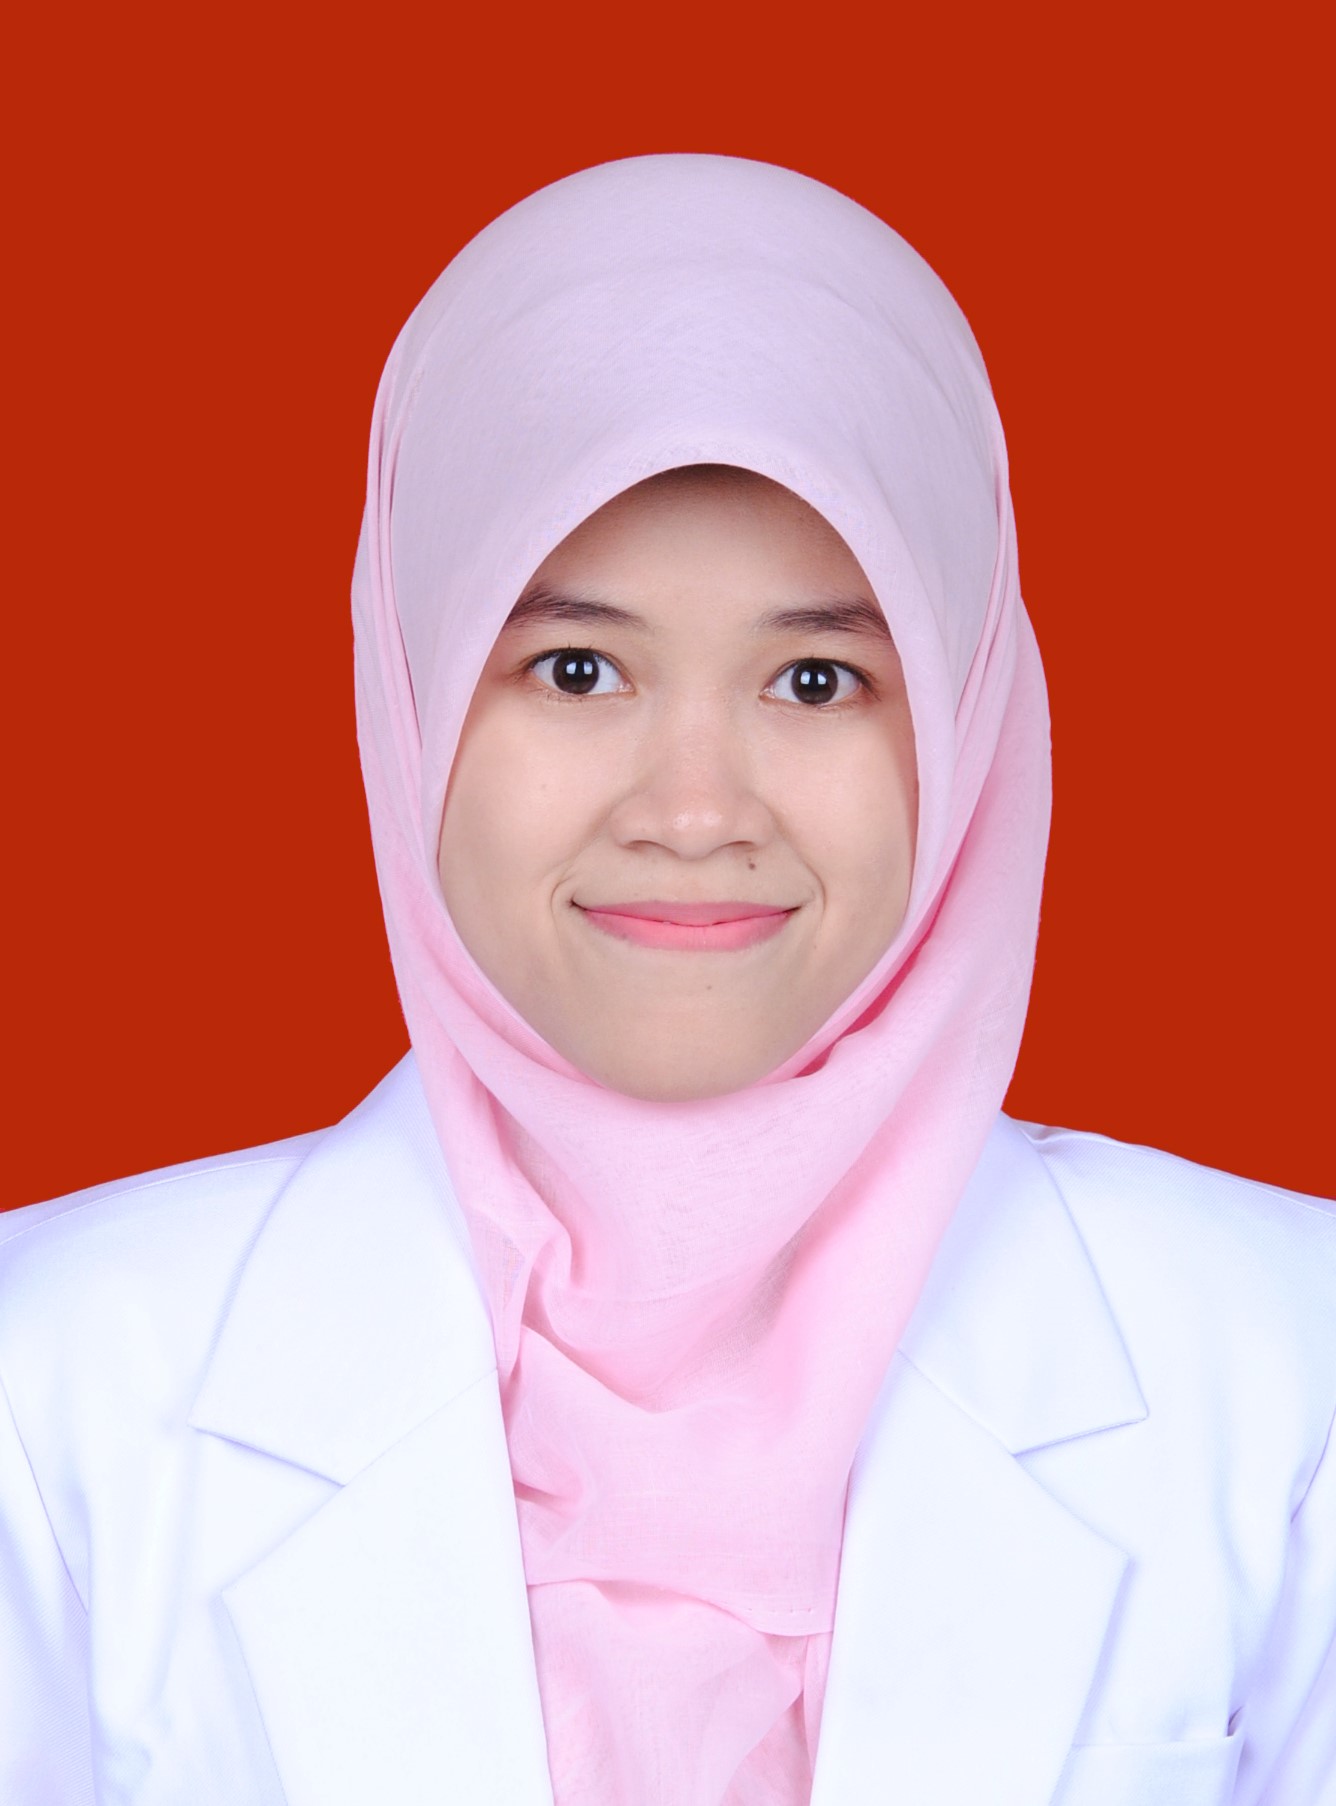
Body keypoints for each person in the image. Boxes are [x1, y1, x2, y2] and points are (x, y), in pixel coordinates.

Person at [1, 153, 1332, 1806]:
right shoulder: (50, 1383)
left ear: (968, 709)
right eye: (577, 669)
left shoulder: (1293, 1374)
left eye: (816, 678)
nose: (695, 811)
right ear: (412, 692)